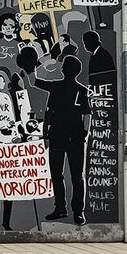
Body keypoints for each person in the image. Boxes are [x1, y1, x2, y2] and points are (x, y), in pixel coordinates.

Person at [39, 55, 91, 224]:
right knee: (77, 176)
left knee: (56, 174)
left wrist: (45, 135)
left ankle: (60, 208)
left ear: (63, 70)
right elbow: (87, 114)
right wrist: (84, 133)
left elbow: (47, 112)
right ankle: (78, 212)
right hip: (76, 138)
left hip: (57, 136)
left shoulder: (56, 87)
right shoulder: (82, 90)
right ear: (78, 71)